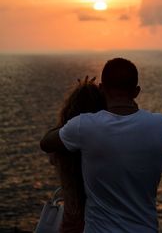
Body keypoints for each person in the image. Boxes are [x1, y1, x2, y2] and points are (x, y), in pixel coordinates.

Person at [40, 58, 162, 233]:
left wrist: (71, 117)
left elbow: (46, 142)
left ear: (102, 89)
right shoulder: (161, 125)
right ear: (136, 91)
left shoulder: (85, 126)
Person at [46, 77, 106, 233]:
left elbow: (51, 154)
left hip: (72, 224)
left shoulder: (60, 143)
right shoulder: (108, 142)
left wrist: (64, 124)